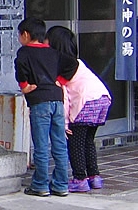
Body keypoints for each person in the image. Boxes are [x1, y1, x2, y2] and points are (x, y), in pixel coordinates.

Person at [14, 18, 78, 197]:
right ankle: (60, 185)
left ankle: (40, 185)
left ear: (26, 35)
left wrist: (24, 86)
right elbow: (73, 63)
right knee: (59, 144)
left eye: (20, 35)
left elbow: (20, 68)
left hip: (40, 103)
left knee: (41, 145)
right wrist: (60, 81)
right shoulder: (53, 52)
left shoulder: (24, 52)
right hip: (58, 101)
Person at [45, 26, 112, 193]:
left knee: (75, 143)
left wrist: (65, 122)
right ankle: (94, 177)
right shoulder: (77, 63)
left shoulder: (62, 67)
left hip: (86, 102)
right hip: (102, 99)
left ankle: (80, 178)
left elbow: (65, 96)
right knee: (88, 141)